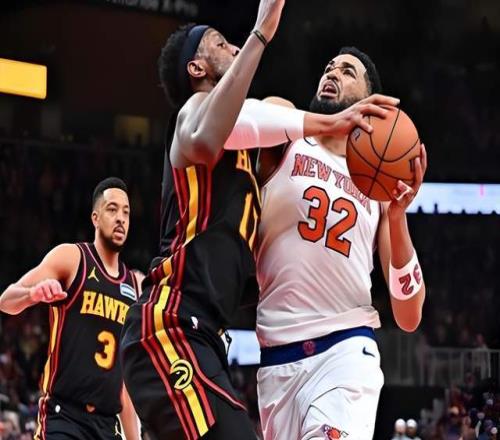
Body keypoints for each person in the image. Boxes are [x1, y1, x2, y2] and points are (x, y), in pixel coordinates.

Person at [119, 1, 398, 438]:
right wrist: (261, 33)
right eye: (219, 43)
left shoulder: (251, 156)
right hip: (170, 323)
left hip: (207, 336)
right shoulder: (193, 110)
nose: (231, 46)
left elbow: (253, 121)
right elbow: (214, 134)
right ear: (196, 68)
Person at [255, 47, 427, 439]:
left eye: (348, 71)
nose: (332, 73)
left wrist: (397, 217)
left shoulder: (379, 187)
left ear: (370, 102)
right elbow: (243, 118)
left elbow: (409, 315)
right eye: (329, 67)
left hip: (346, 348)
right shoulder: (288, 136)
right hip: (277, 359)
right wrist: (328, 124)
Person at [0, 177, 140, 440]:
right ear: (95, 218)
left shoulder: (135, 286)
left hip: (107, 426)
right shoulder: (73, 259)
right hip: (64, 417)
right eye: (112, 209)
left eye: (126, 212)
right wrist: (31, 294)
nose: (120, 218)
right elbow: (6, 301)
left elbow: (124, 383)